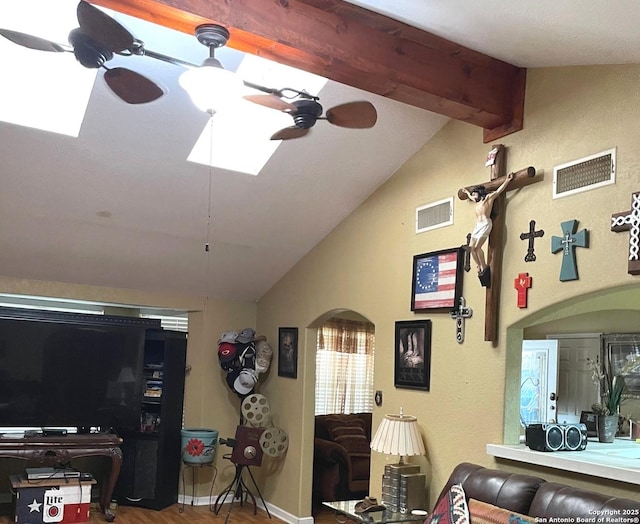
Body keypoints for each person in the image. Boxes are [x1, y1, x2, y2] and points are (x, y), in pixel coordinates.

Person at [461, 172, 513, 286]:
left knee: (478, 247)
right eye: (473, 195)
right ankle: (478, 265)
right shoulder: (477, 202)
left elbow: (499, 191)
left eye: (475, 194)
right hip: (477, 225)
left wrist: (507, 181)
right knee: (471, 248)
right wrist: (467, 192)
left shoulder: (488, 199)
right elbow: (470, 196)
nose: (473, 196)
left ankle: (483, 265)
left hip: (485, 223)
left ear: (480, 193)